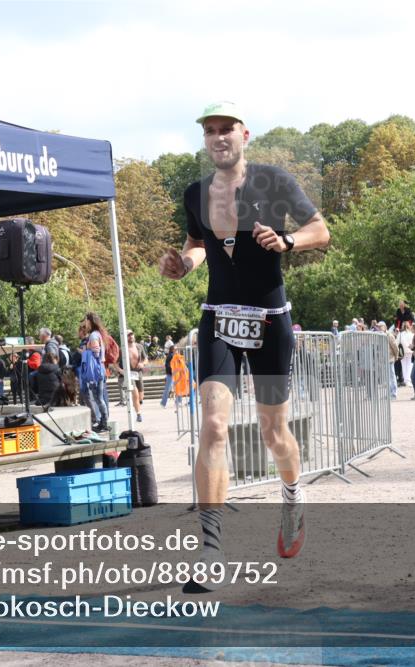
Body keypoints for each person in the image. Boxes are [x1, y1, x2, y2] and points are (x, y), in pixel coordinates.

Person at [158, 101, 330, 588]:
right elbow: (195, 243)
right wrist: (183, 265)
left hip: (270, 319)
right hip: (219, 317)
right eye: (210, 131)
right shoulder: (194, 193)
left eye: (226, 129)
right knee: (213, 426)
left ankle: (292, 497)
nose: (218, 138)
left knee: (274, 434)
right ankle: (211, 550)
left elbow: (321, 229)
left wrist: (289, 241)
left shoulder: (274, 182)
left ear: (244, 134)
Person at [78, 312, 111, 432]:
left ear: (90, 321)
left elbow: (96, 352)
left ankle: (104, 423)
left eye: (85, 321)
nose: (84, 323)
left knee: (98, 398)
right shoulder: (97, 334)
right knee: (99, 398)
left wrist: (85, 351)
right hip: (99, 369)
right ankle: (103, 422)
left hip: (95, 371)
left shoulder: (93, 336)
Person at [382, 321, 400, 399]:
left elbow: (395, 347)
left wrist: (396, 356)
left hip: (390, 358)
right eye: (378, 327)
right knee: (387, 377)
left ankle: (394, 394)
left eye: (381, 326)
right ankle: (389, 393)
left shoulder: (389, 335)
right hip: (384, 359)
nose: (379, 328)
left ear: (385, 327)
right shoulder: (380, 335)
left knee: (392, 376)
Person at [160, 344, 177, 408]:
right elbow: (168, 365)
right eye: (176, 349)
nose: (177, 350)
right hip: (171, 374)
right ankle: (163, 403)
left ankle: (164, 403)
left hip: (171, 374)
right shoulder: (171, 356)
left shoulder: (171, 355)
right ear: (172, 349)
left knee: (170, 389)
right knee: (168, 389)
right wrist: (173, 371)